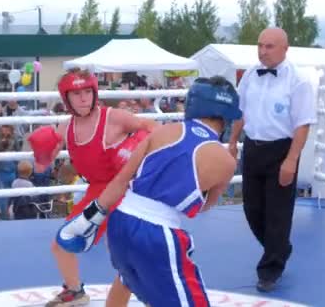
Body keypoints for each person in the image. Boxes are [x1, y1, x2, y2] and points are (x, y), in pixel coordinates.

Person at [55, 76, 240, 306]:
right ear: (226, 117)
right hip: (157, 234)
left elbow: (122, 180)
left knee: (127, 279)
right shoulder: (225, 161)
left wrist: (90, 217)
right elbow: (202, 207)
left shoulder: (164, 131)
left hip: (120, 222)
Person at [28, 69, 157, 306]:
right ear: (66, 98)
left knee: (125, 250)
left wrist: (135, 147)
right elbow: (41, 167)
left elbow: (152, 127)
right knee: (61, 243)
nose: (84, 98)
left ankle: (154, 293)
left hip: (127, 188)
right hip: (97, 191)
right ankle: (75, 291)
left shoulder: (114, 117)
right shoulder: (64, 128)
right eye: (77, 94)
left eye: (87, 91)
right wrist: (41, 153)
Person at [228, 27, 316, 292]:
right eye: (260, 45)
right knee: (252, 210)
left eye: (269, 46)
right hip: (253, 148)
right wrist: (232, 142)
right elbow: (240, 111)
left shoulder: (298, 80)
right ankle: (280, 247)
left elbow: (302, 125)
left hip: (281, 150)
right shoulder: (250, 75)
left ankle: (270, 270)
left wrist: (291, 160)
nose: (262, 51)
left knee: (278, 214)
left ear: (284, 49)